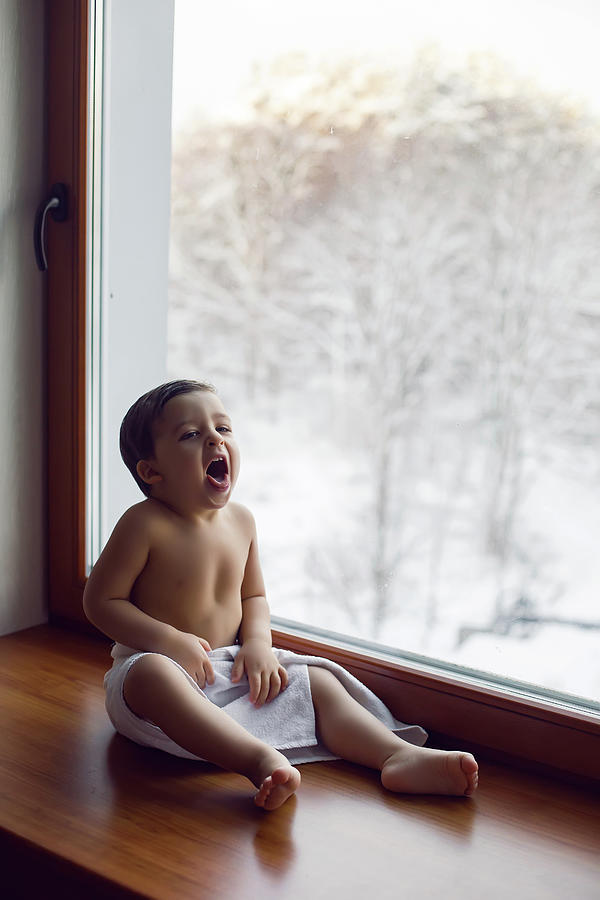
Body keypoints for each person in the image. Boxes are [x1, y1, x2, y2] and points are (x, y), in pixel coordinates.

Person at [83, 380, 478, 810]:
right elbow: (101, 602)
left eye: (223, 428)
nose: (215, 439)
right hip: (160, 674)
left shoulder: (242, 521)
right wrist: (168, 641)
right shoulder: (144, 524)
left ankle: (397, 755)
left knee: (315, 682)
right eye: (191, 434)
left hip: (228, 669)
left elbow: (253, 597)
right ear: (152, 472)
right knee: (152, 676)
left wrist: (256, 645)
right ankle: (258, 760)